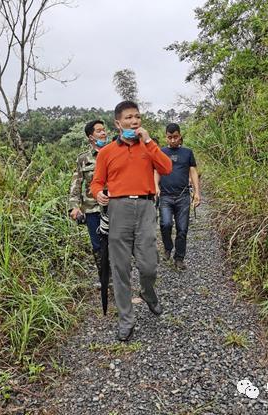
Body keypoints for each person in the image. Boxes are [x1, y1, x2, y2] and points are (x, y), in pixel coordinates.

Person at [90, 100, 172, 342]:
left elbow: (166, 168)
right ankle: (126, 319)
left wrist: (148, 142)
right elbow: (96, 182)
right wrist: (98, 194)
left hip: (146, 206)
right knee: (120, 268)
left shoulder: (149, 146)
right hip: (118, 209)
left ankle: (147, 292)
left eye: (137, 116)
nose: (134, 121)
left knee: (149, 265)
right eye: (128, 117)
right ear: (118, 123)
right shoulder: (106, 153)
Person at [68, 119, 110, 288]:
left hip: (115, 207)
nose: (103, 133)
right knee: (98, 245)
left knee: (116, 242)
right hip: (92, 208)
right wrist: (74, 206)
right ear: (90, 137)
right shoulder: (83, 159)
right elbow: (76, 184)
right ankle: (104, 277)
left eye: (104, 130)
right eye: (99, 131)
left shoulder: (114, 152)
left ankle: (117, 274)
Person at [154, 123, 201, 270]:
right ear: (166, 137)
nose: (173, 140)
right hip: (166, 195)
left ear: (180, 136)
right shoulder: (160, 152)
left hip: (183, 196)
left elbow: (193, 172)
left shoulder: (187, 153)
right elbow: (156, 171)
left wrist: (197, 192)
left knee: (182, 229)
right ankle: (168, 247)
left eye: (175, 137)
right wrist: (155, 187)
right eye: (169, 137)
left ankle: (179, 258)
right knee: (165, 224)